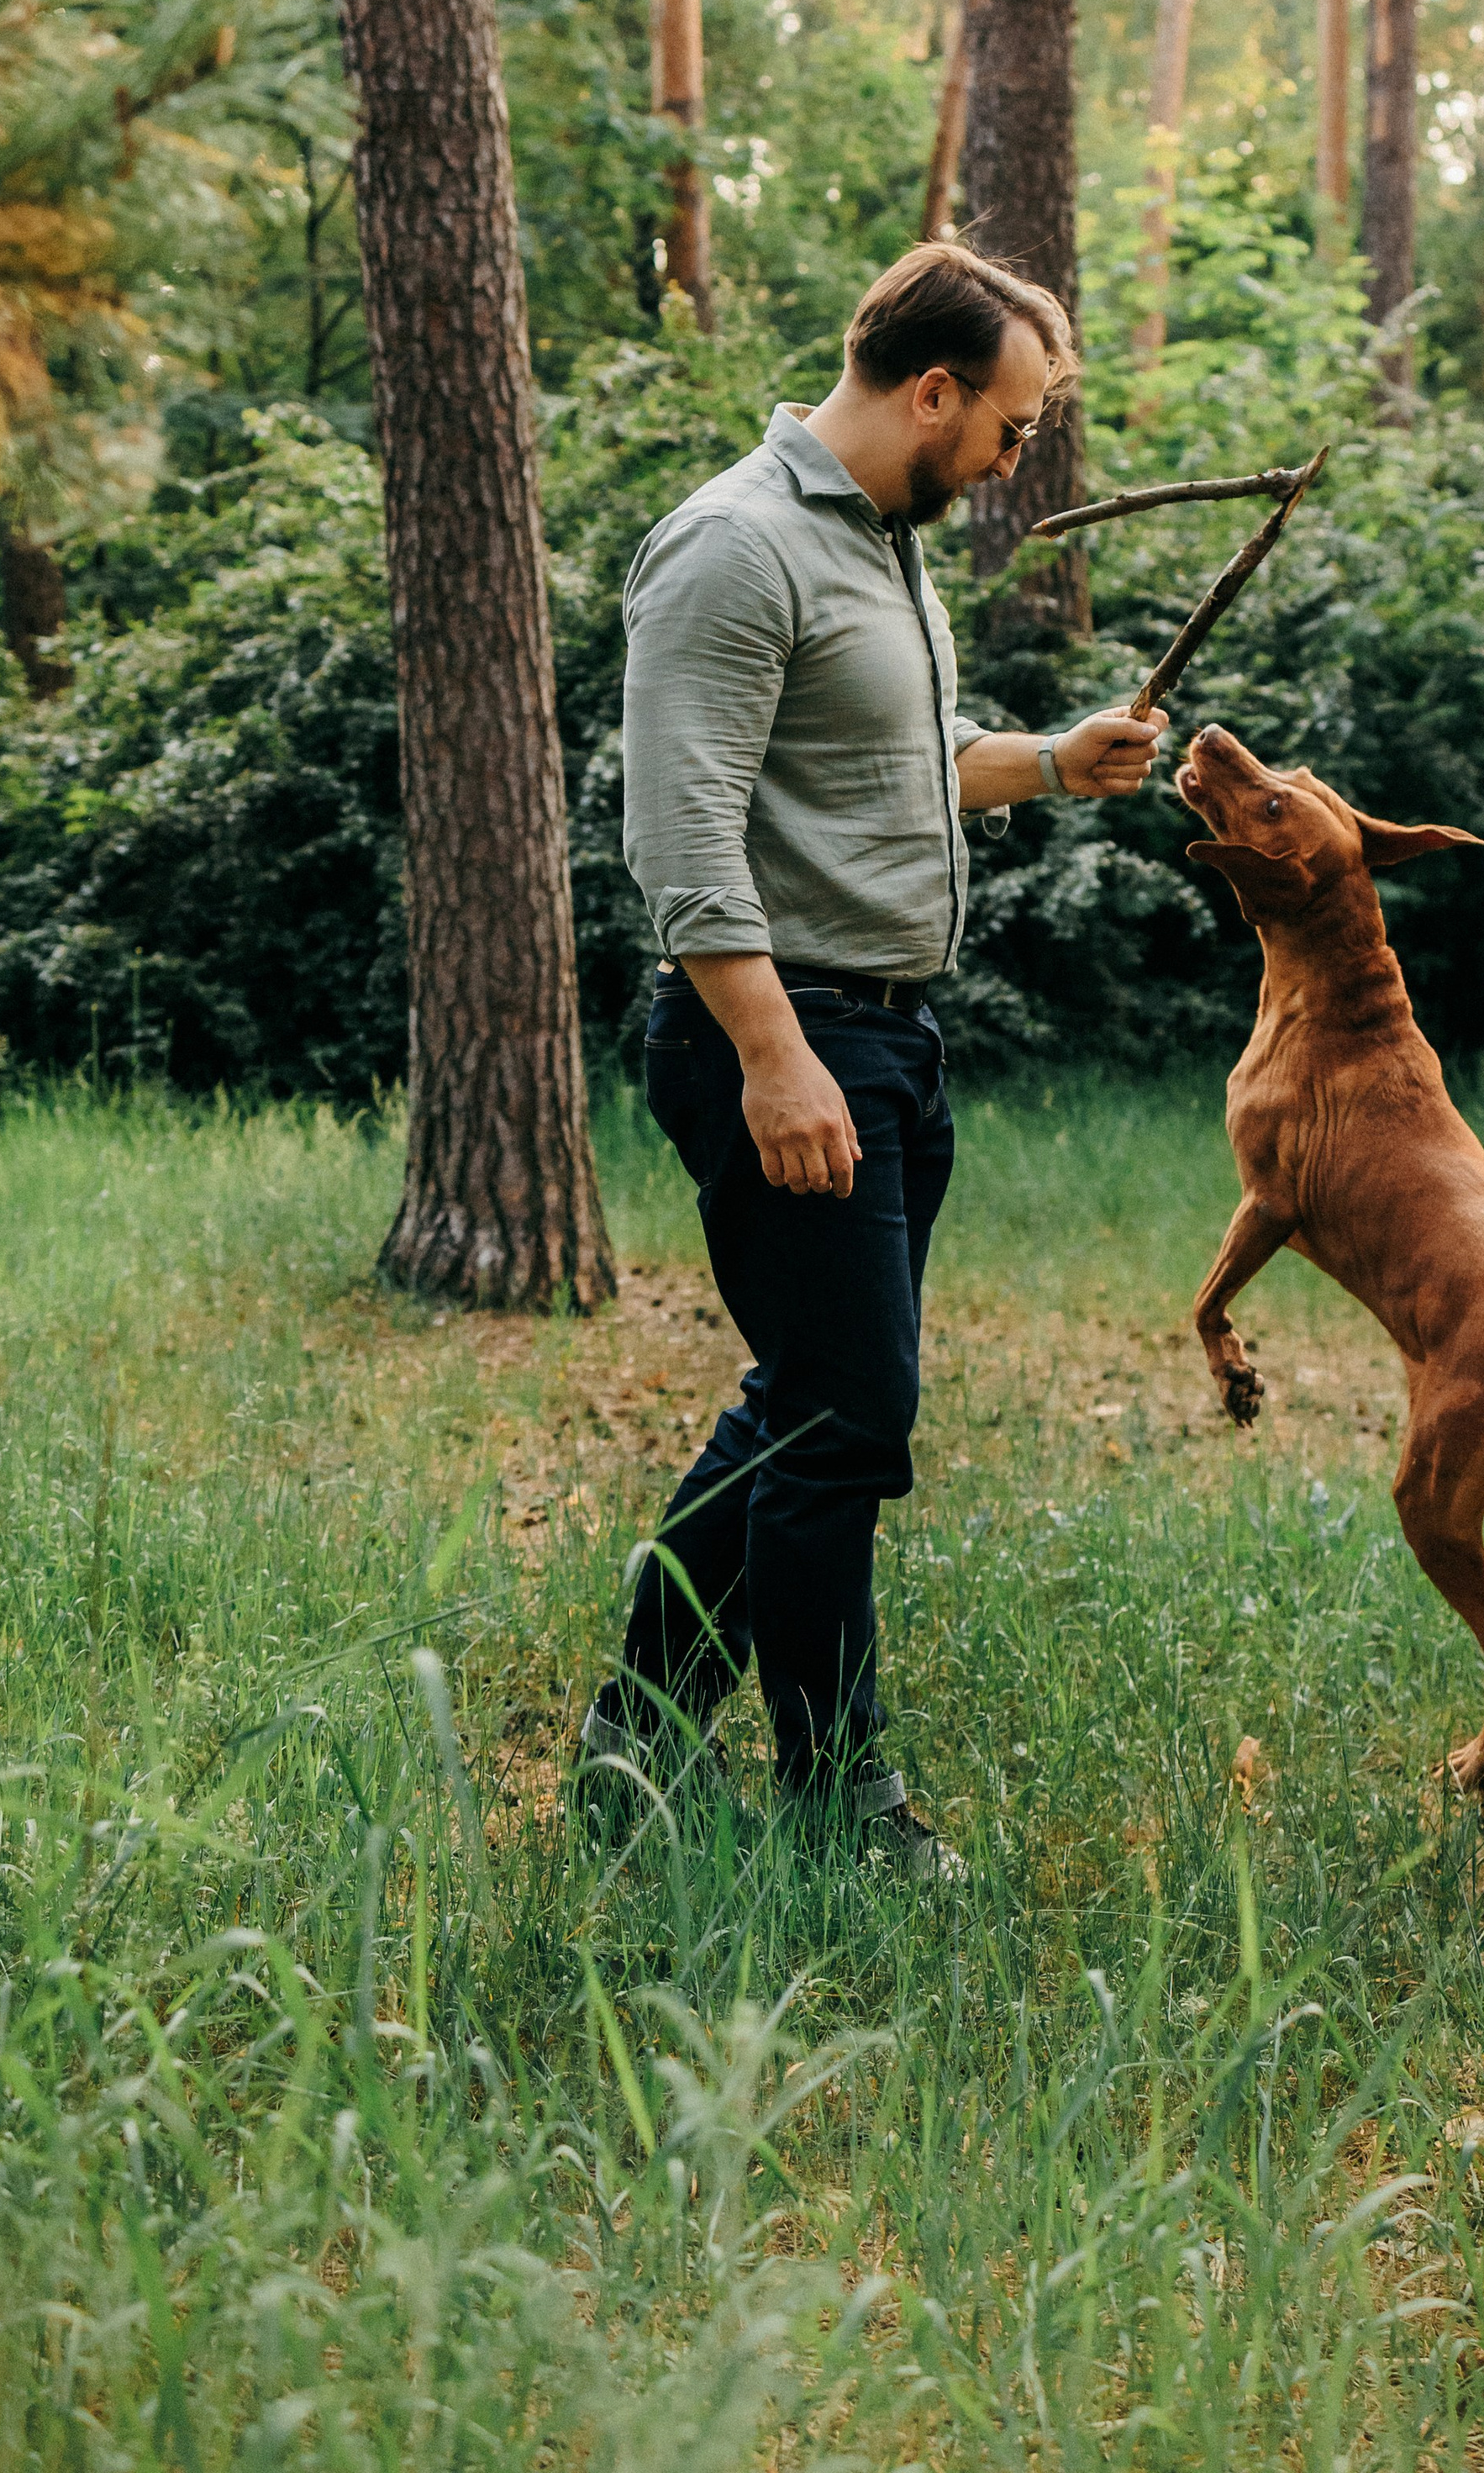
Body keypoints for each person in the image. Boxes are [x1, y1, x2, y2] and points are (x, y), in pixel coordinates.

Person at [579, 240, 1166, 1873]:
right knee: (848, 1418)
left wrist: (1051, 764)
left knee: (806, 1402)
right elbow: (680, 839)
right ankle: (839, 1799)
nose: (1010, 460)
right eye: (1009, 425)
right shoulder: (728, 549)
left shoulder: (879, 548)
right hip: (782, 1036)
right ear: (929, 388)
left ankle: (633, 1734)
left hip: (885, 1040)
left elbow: (892, 770)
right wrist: (773, 1059)